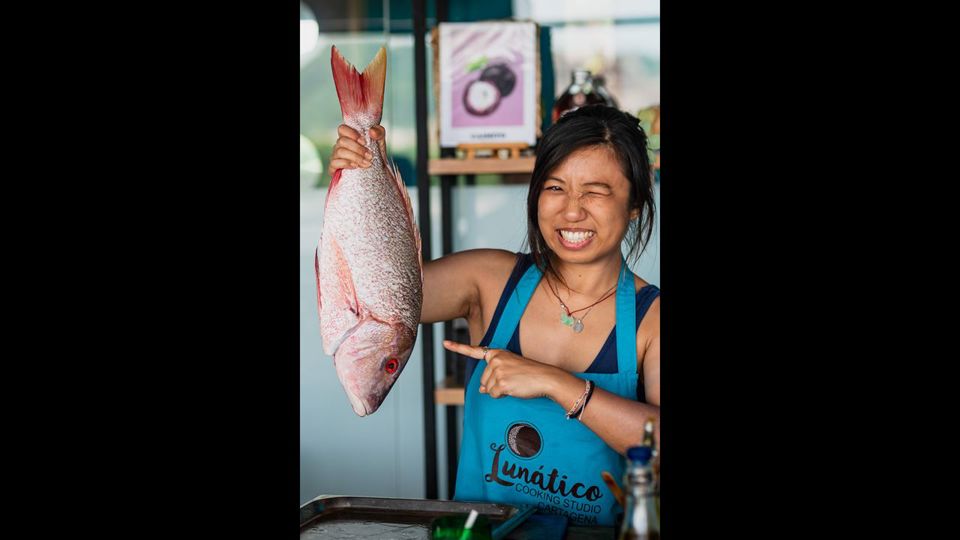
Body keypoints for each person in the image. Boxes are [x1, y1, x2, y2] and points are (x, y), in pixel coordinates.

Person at [328, 105, 659, 527]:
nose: (572, 211)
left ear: (634, 203)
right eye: (555, 188)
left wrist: (555, 383)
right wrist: (358, 175)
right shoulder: (488, 280)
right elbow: (377, 298)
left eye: (595, 192)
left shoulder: (652, 319)